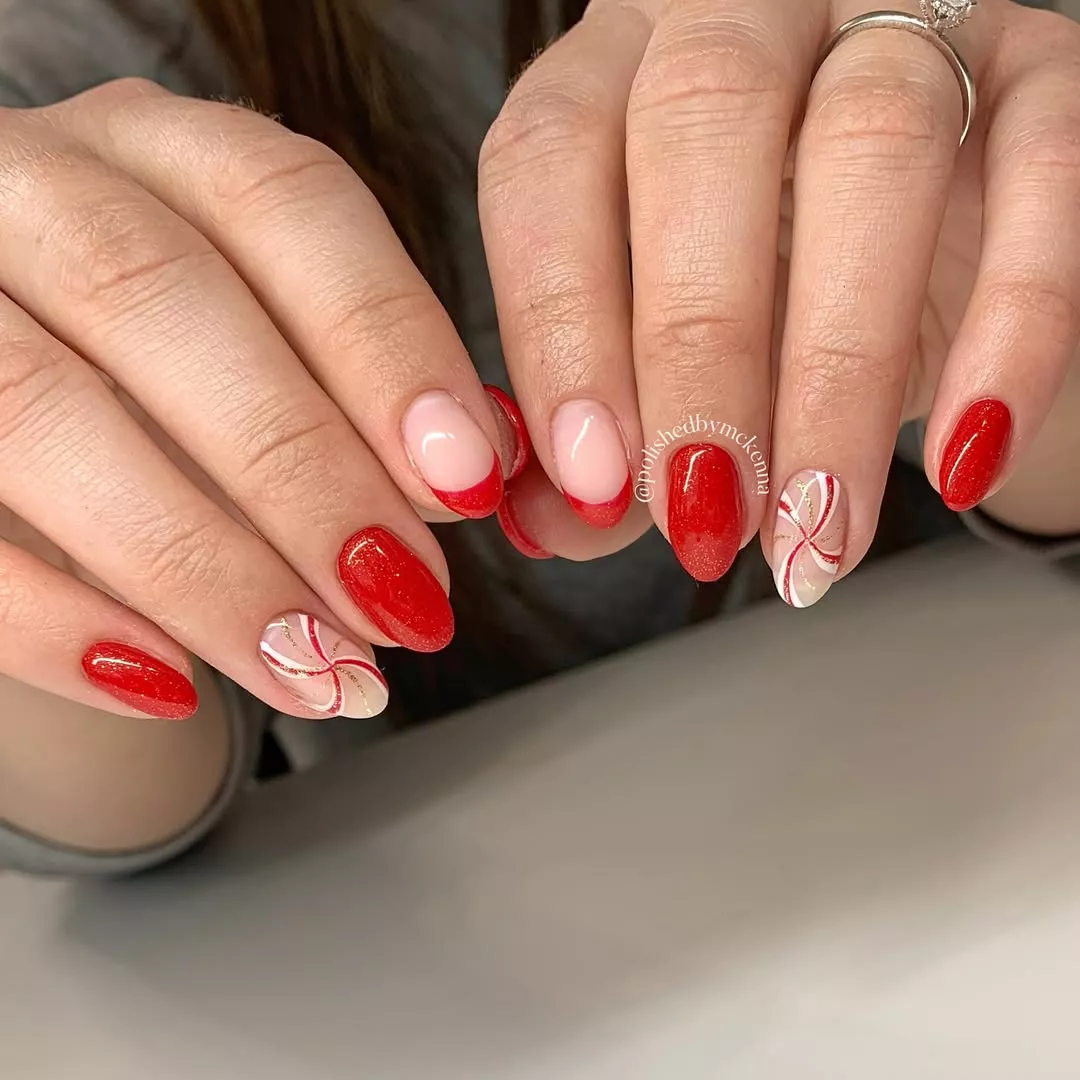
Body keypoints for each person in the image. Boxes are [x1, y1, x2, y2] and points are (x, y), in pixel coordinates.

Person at [0, 0, 1077, 875]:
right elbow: (131, 820)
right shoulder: (56, 76)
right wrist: (54, 571)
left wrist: (1024, 337)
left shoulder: (939, 21)